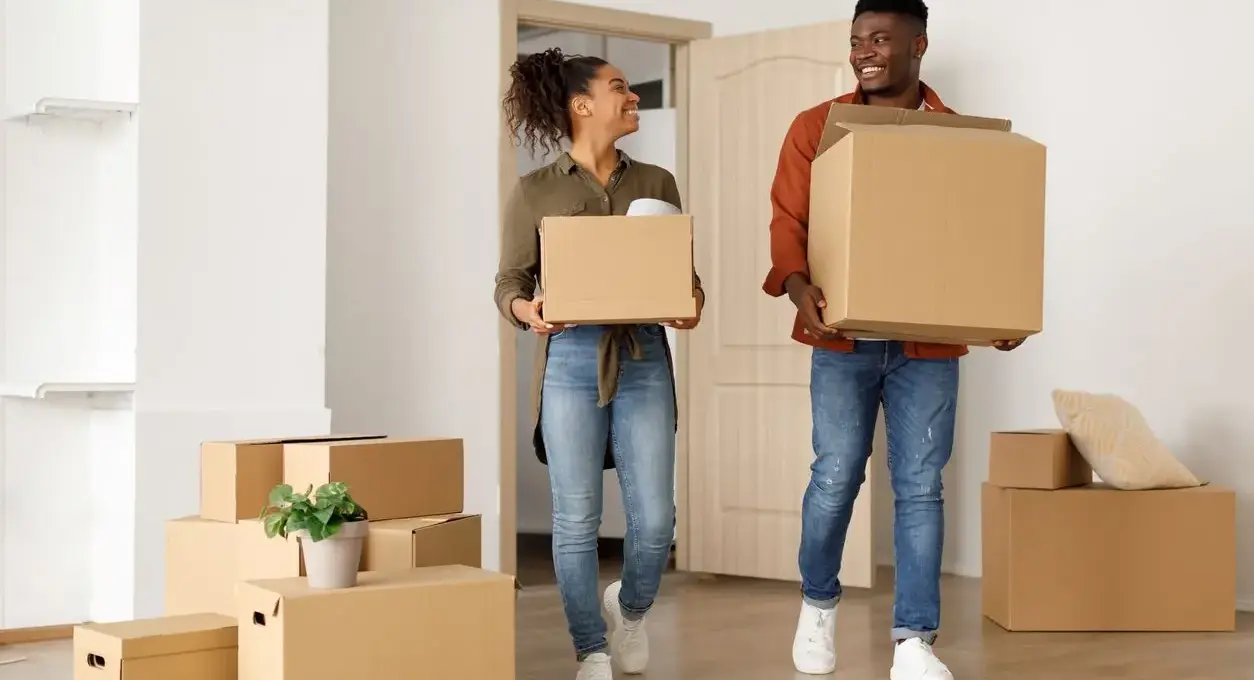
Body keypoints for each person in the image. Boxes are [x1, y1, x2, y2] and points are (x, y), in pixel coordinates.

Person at [763, 1, 1024, 678]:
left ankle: (914, 641)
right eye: (856, 40)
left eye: (880, 38)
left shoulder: (960, 138)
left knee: (920, 487)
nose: (864, 51)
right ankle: (818, 607)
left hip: (926, 347)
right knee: (834, 476)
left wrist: (998, 309)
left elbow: (978, 237)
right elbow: (788, 220)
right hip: (841, 338)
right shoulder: (815, 127)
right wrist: (798, 289)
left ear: (919, 46)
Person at [495, 47, 704, 680]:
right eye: (620, 88)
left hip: (644, 355)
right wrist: (527, 310)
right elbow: (509, 280)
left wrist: (690, 302)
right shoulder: (534, 190)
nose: (633, 96)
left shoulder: (657, 183)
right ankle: (590, 648)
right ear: (582, 105)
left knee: (657, 519)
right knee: (577, 515)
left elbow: (685, 276)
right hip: (570, 359)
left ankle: (631, 610)